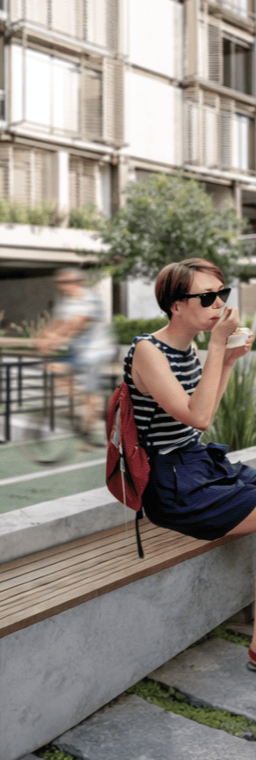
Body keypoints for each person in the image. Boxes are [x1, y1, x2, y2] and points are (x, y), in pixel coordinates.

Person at [124, 257, 256, 669]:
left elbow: (204, 415)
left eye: (222, 294)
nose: (218, 304)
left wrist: (228, 360)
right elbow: (196, 417)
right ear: (176, 305)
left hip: (198, 464)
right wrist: (219, 345)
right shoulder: (147, 350)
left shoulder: (191, 347)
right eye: (207, 296)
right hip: (172, 486)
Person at [35, 267, 114, 444]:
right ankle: (84, 406)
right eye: (60, 283)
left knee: (90, 388)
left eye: (66, 282)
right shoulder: (65, 301)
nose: (62, 287)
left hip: (95, 351)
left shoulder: (90, 298)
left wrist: (55, 339)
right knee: (55, 369)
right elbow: (58, 322)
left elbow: (78, 323)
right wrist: (41, 337)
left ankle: (92, 424)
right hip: (77, 351)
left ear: (78, 282)